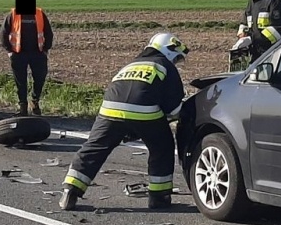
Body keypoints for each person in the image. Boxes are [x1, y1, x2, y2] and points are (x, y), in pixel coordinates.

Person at [60, 32, 188, 212]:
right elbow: (173, 109)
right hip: (144, 112)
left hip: (109, 110)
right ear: (170, 50)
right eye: (177, 58)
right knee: (162, 147)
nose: (176, 62)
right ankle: (159, 197)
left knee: (94, 148)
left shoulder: (131, 64)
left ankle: (70, 190)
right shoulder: (165, 66)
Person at [0, 0, 54, 116]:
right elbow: (3, 33)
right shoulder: (13, 14)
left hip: (37, 53)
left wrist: (46, 49)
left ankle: (35, 101)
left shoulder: (39, 13)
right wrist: (9, 51)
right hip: (18, 53)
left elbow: (48, 32)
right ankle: (22, 107)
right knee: (20, 82)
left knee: (40, 78)